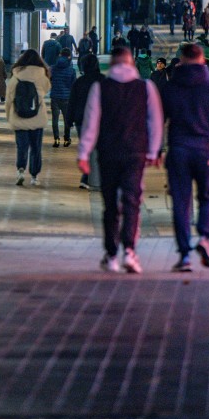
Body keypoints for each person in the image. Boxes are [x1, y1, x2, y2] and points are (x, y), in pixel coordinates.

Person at [77, 45, 164, 275]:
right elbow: (154, 121)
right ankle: (130, 251)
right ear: (131, 63)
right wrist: (154, 151)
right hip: (136, 153)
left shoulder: (100, 88)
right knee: (132, 200)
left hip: (108, 153)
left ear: (113, 64)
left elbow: (90, 123)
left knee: (110, 206)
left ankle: (111, 254)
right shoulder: (146, 87)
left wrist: (84, 154)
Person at [161, 43, 209, 272]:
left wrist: (154, 151)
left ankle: (184, 256)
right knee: (207, 198)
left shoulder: (171, 87)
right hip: (205, 151)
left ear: (181, 60)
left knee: (181, 203)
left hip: (179, 151)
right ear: (203, 60)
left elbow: (158, 119)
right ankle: (204, 238)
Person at [6, 49, 51, 187]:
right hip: (36, 117)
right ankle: (34, 176)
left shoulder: (16, 76)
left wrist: (9, 116)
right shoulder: (41, 75)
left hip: (19, 118)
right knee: (36, 148)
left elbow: (9, 99)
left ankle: (20, 170)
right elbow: (46, 90)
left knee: (22, 147)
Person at [67, 52, 105, 189]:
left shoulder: (79, 82)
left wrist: (69, 120)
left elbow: (72, 102)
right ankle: (93, 179)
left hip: (81, 120)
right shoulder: (103, 80)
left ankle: (87, 178)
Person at [49, 47, 76, 148]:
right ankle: (67, 139)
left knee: (55, 119)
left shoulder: (53, 68)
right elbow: (73, 85)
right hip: (66, 97)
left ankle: (56, 139)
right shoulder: (71, 70)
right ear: (69, 56)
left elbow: (50, 80)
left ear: (60, 55)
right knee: (66, 119)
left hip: (55, 96)